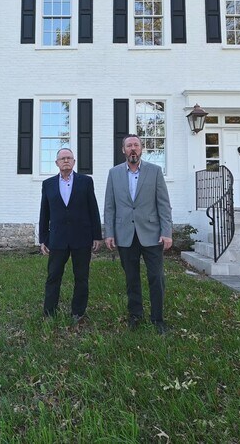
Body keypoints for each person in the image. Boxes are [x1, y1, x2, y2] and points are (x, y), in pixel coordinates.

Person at [104, 134, 173, 334]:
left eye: (136, 145)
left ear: (142, 149)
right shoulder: (114, 173)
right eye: (129, 146)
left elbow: (164, 204)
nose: (133, 149)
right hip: (125, 234)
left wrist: (166, 232)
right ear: (123, 150)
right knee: (131, 278)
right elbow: (110, 206)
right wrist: (109, 233)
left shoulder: (155, 172)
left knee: (156, 277)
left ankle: (157, 319)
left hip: (151, 234)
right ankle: (135, 315)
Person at [39, 148, 103, 322]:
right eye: (62, 158)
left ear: (74, 162)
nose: (65, 161)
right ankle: (49, 312)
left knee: (81, 277)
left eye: (69, 158)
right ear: (57, 163)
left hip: (81, 238)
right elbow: (44, 213)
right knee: (53, 276)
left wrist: (97, 235)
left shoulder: (86, 182)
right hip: (57, 239)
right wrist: (43, 238)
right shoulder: (48, 184)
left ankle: (78, 312)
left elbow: (93, 209)